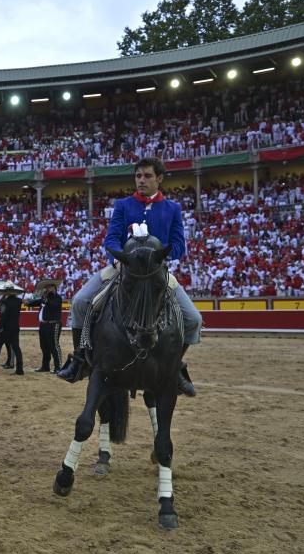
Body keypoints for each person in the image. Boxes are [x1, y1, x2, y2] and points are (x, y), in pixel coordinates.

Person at [58, 157, 202, 395]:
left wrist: (158, 255)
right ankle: (81, 359)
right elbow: (111, 238)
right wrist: (117, 256)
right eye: (138, 176)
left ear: (159, 178)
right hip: (122, 268)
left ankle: (174, 366)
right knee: (81, 301)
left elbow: (178, 246)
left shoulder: (172, 209)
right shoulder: (123, 205)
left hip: (156, 272)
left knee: (193, 319)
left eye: (147, 176)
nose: (141, 180)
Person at [27, 279, 63, 372]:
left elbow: (53, 305)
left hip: (53, 324)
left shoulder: (57, 298)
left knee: (54, 346)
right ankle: (45, 366)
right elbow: (33, 303)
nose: (46, 289)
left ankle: (58, 367)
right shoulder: (44, 298)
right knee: (44, 346)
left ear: (53, 288)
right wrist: (27, 302)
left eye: (48, 287)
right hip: (43, 325)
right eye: (46, 288)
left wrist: (45, 299)